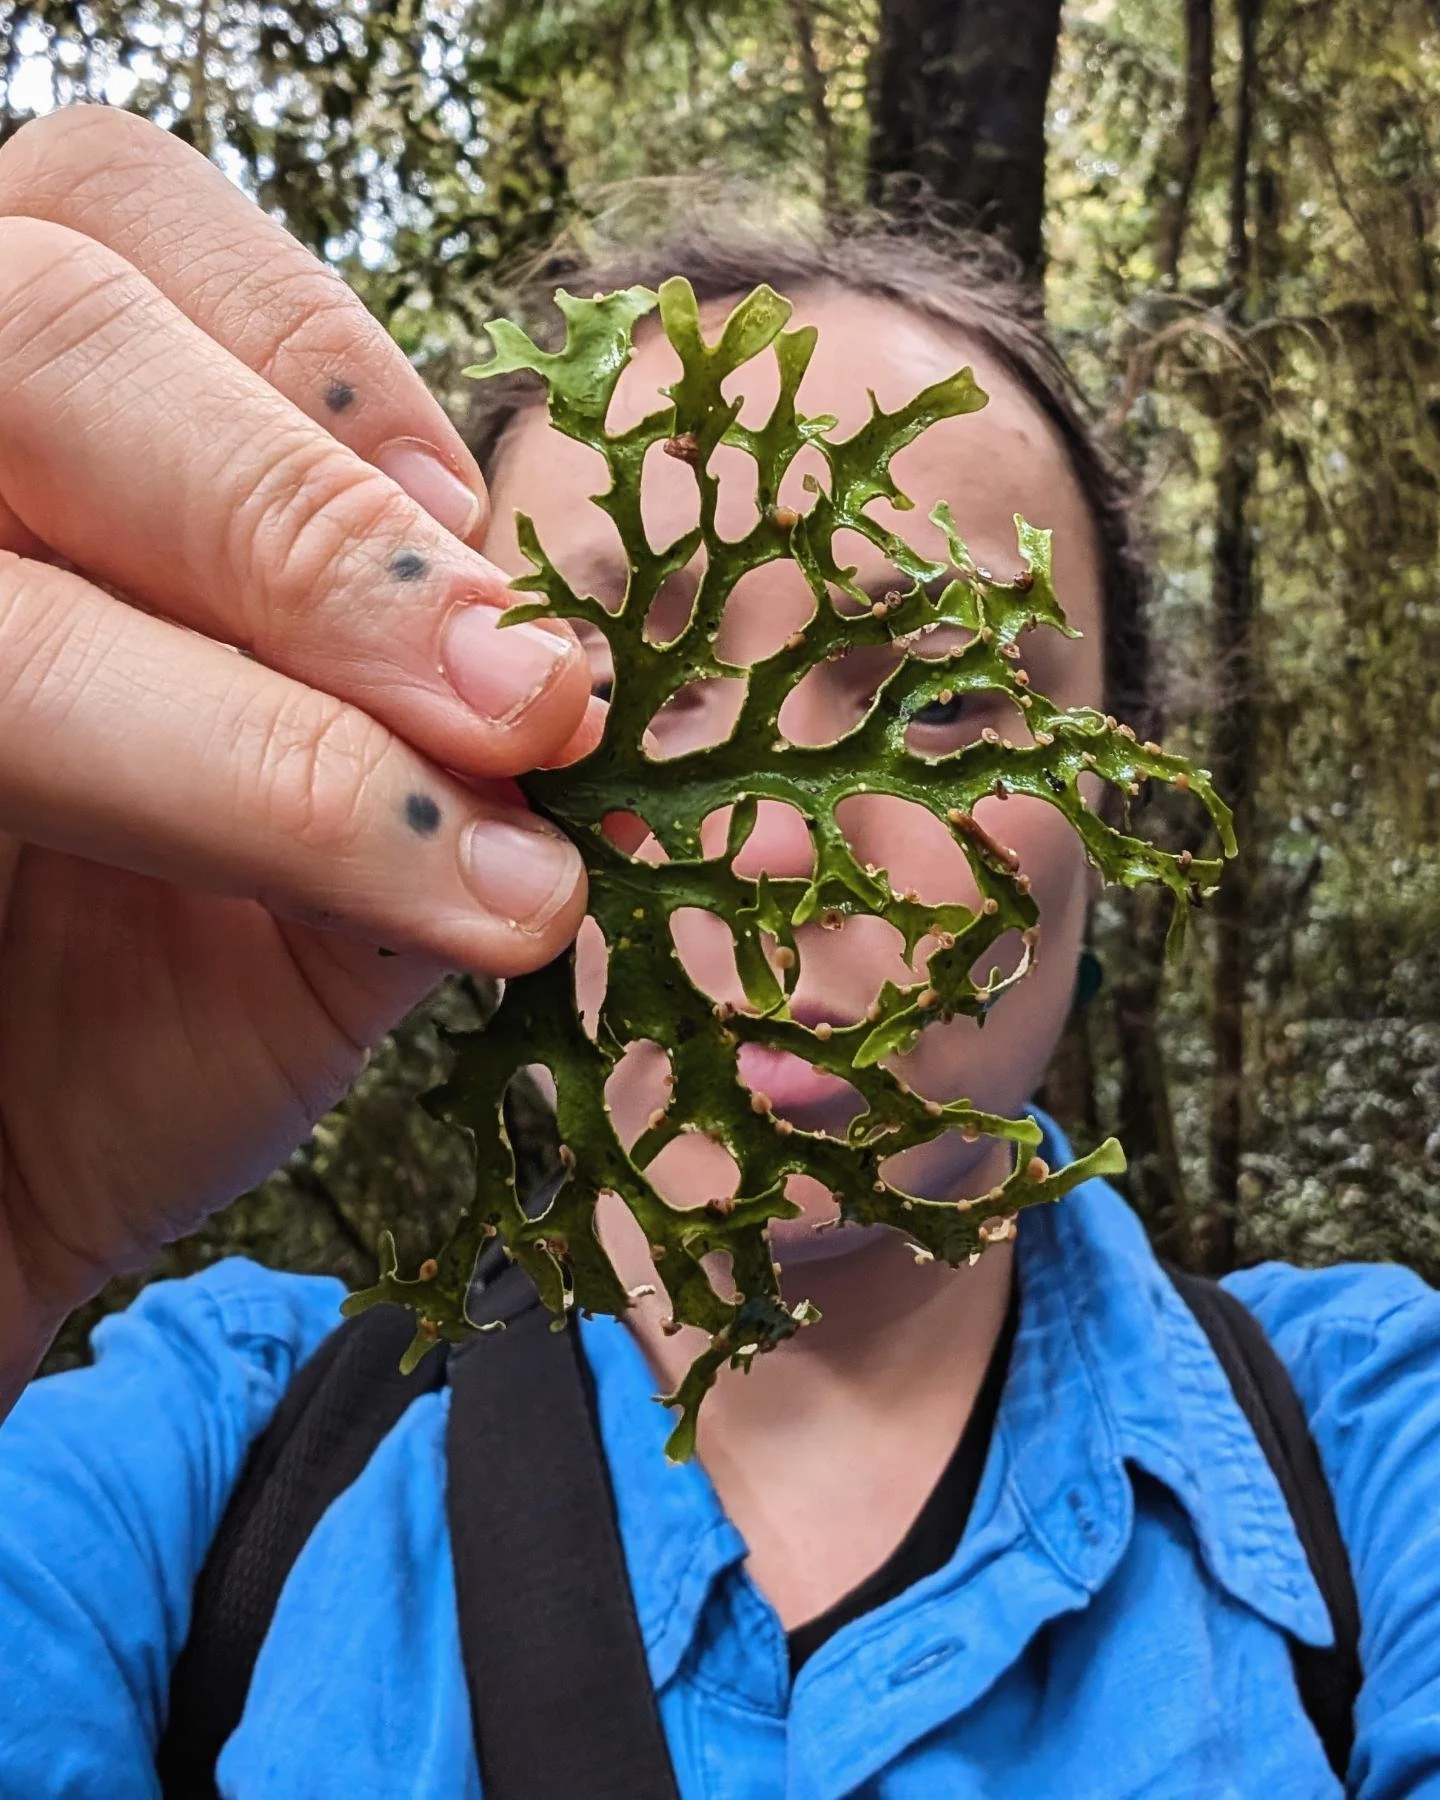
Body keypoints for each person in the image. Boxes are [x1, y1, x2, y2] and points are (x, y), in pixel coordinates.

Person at [0, 104, 1437, 1800]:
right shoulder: (194, 1469)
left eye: (943, 702)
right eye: (610, 690)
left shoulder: (1370, 1453)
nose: (764, 858)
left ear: (1119, 806)